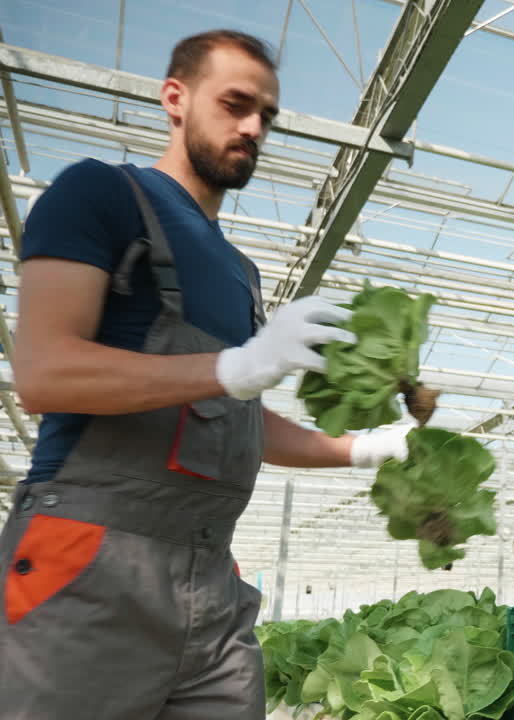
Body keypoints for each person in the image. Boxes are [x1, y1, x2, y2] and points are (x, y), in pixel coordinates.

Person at [0, 30, 412, 718]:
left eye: (268, 116)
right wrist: (237, 363)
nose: (253, 127)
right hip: (88, 561)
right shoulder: (100, 194)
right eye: (236, 103)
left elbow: (235, 411)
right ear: (175, 98)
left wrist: (363, 448)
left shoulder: (239, 272)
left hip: (210, 575)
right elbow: (44, 372)